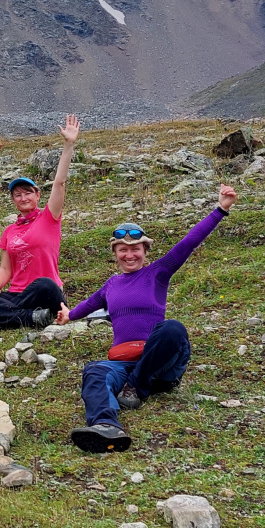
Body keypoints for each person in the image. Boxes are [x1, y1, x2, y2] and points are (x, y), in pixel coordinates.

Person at [64, 184, 238, 453]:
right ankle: (106, 426)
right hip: (125, 364)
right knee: (95, 370)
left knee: (172, 329)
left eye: (135, 249)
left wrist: (221, 209)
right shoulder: (111, 285)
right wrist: (68, 315)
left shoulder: (158, 272)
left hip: (160, 366)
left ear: (145, 251)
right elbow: (88, 305)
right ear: (115, 254)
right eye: (122, 250)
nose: (129, 255)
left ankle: (136, 387)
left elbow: (188, 243)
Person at [0, 115, 80, 329]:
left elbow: (59, 183)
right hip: (16, 294)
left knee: (45, 284)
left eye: (28, 193)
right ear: (13, 200)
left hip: (43, 292)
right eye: (18, 195)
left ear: (37, 195)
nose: (23, 198)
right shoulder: (9, 231)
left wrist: (68, 144)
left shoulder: (49, 218)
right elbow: (6, 269)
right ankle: (30, 317)